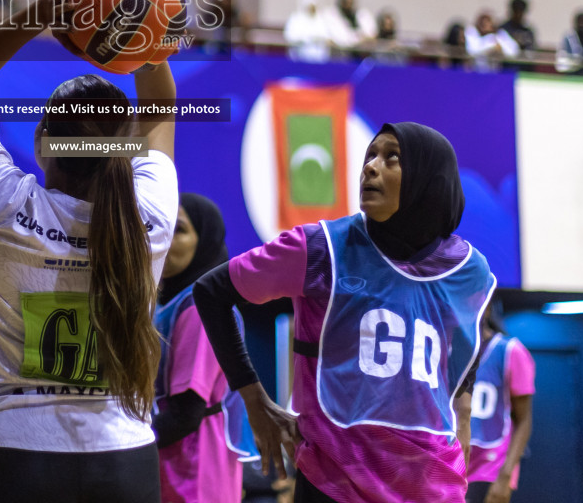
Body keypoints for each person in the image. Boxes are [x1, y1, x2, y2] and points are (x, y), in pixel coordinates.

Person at [0, 0, 179, 503]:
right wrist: (143, 34)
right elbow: (161, 105)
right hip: (120, 461)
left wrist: (43, 13)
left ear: (41, 142)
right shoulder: (152, 220)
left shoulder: (5, 206)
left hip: (10, 456)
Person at [193, 122, 495, 503]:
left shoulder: (470, 270)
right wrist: (255, 401)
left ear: (428, 178)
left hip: (432, 482)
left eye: (392, 158)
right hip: (334, 481)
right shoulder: (320, 248)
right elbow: (211, 291)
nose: (370, 166)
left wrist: (463, 417)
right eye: (370, 155)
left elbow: (462, 360)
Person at [154, 193, 247, 503]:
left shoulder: (200, 307)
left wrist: (122, 446)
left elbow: (186, 414)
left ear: (204, 241)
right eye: (161, 226)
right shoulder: (168, 304)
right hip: (174, 472)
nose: (165, 237)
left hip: (195, 477)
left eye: (178, 230)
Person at [464, 301, 535, 503]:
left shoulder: (511, 351)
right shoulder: (451, 351)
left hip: (491, 468)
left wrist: (506, 477)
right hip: (455, 463)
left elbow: (524, 420)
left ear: (486, 309)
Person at [284, 0, 352, 62]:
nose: (312, 8)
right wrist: (310, 38)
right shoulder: (296, 19)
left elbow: (329, 36)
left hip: (320, 60)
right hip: (300, 58)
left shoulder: (322, 20)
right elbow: (290, 36)